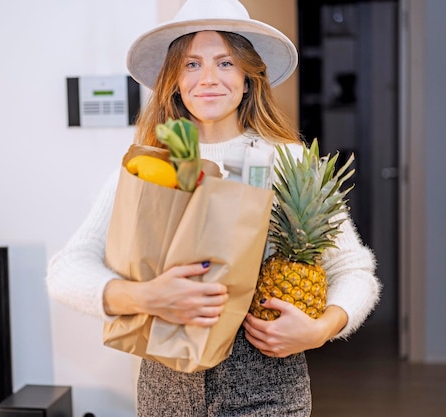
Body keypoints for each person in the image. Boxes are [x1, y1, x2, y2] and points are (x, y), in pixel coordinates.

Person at [46, 0, 381, 415]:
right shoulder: (151, 166)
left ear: (248, 77)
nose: (208, 78)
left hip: (269, 389)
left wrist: (320, 329)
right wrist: (145, 296)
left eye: (225, 63)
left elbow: (354, 269)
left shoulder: (289, 160)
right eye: (190, 65)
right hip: (165, 392)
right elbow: (66, 269)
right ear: (173, 81)